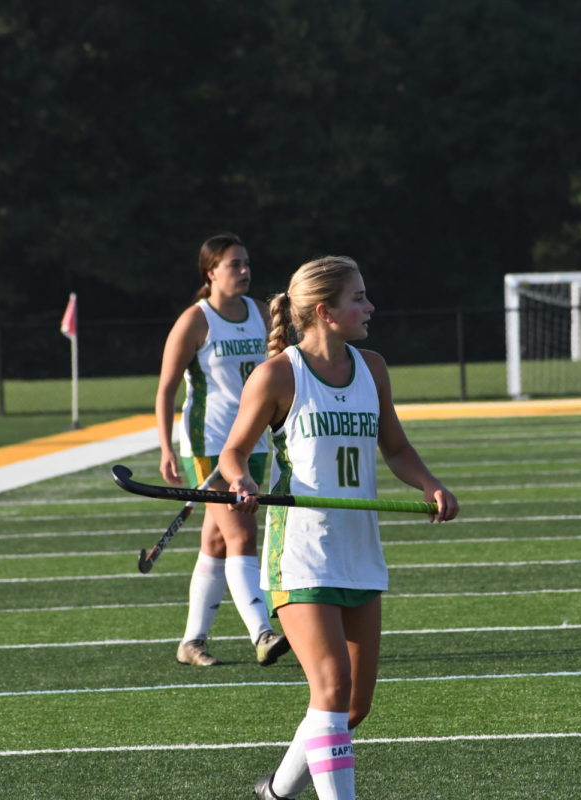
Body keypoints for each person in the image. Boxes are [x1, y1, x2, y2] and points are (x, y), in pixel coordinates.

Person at [218, 255, 459, 800]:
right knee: (328, 688)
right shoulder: (279, 374)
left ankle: (274, 793)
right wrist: (242, 483)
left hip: (358, 549)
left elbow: (395, 447)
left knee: (352, 706)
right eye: (358, 298)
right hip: (300, 551)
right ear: (325, 312)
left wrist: (429, 484)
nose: (369, 307)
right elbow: (234, 454)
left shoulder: (371, 367)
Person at [155, 233, 290, 667]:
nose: (244, 270)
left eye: (247, 262)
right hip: (208, 445)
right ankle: (262, 632)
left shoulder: (260, 313)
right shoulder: (196, 320)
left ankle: (191, 642)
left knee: (215, 540)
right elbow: (166, 388)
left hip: (252, 441)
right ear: (210, 272)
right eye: (234, 264)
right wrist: (165, 448)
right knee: (241, 533)